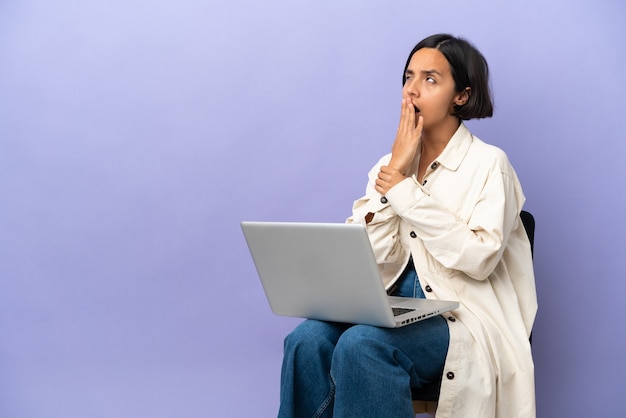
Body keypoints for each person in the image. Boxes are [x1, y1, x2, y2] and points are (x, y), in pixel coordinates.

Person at [278, 34, 537, 418]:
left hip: (460, 319)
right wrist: (396, 172)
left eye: (430, 80)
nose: (412, 90)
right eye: (408, 77)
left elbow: (479, 259)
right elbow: (369, 258)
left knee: (363, 345)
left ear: (461, 96)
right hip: (388, 307)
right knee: (306, 340)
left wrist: (404, 193)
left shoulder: (489, 164)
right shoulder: (389, 164)